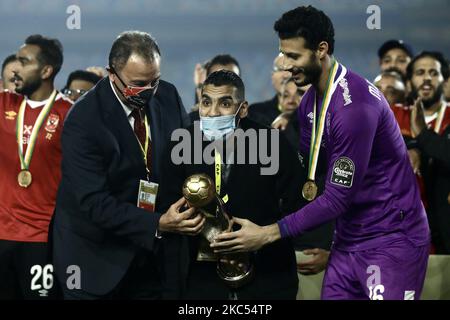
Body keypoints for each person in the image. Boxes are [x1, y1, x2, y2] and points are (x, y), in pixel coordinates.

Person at [211, 5, 430, 300]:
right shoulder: (309, 103)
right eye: (283, 54)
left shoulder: (355, 109)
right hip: (347, 238)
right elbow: (310, 180)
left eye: (294, 56)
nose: (285, 65)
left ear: (321, 50)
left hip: (390, 240)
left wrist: (267, 234)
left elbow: (337, 197)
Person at [52, 30, 204, 300]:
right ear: (113, 74)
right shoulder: (84, 120)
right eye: (138, 84)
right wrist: (158, 223)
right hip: (97, 259)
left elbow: (186, 159)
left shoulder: (167, 95)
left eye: (153, 81)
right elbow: (94, 202)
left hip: (155, 258)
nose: (148, 92)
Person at [160, 70, 302, 299]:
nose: (213, 112)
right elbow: (167, 205)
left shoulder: (272, 143)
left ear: (243, 109)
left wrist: (265, 235)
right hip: (201, 282)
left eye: (225, 103)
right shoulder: (180, 142)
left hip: (269, 278)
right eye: (206, 102)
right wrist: (181, 222)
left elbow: (298, 206)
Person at [0, 34, 72, 299]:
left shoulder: (69, 114)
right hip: (2, 235)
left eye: (24, 61)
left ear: (46, 70)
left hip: (43, 240)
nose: (15, 68)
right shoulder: (3, 104)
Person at [391, 51, 450, 254]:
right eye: (420, 72)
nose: (426, 78)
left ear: (444, 81)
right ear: (409, 82)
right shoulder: (392, 114)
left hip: (444, 227)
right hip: (399, 229)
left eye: (434, 73)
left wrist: (422, 140)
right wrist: (412, 145)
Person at [189, 54, 241, 124]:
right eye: (217, 79)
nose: (224, 85)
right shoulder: (191, 122)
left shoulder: (255, 120)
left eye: (231, 79)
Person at [247, 54, 290, 127]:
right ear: (272, 76)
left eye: (290, 70)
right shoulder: (255, 112)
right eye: (281, 69)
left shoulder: (312, 111)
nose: (285, 75)